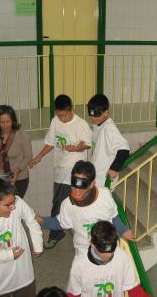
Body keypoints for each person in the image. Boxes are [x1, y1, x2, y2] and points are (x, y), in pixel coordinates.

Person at [29, 94, 92, 249]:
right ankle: (66, 228)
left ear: (72, 110)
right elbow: (51, 143)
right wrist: (38, 157)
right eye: (59, 115)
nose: (62, 119)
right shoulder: (55, 121)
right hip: (59, 169)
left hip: (74, 171)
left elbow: (88, 144)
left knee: (59, 203)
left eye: (65, 115)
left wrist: (76, 147)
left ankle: (55, 234)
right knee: (64, 202)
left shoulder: (81, 124)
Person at [36, 160, 135, 255]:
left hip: (108, 249)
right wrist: (42, 221)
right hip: (84, 252)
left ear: (92, 184)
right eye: (74, 185)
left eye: (82, 186)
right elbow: (60, 222)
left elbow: (114, 216)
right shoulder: (67, 204)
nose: (77, 190)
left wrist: (123, 230)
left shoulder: (104, 195)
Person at [67, 221, 150, 297]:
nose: (108, 255)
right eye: (102, 251)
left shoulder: (122, 256)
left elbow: (133, 289)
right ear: (92, 244)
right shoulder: (79, 264)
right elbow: (74, 294)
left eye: (111, 251)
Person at [0, 105, 32, 198]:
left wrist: (18, 170)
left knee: (14, 206)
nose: (5, 125)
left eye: (8, 121)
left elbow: (28, 156)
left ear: (13, 120)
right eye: (2, 122)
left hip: (19, 177)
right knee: (1, 207)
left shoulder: (21, 134)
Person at [87, 93, 130, 187]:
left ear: (106, 112)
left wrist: (114, 169)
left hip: (103, 181)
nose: (94, 118)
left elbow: (124, 149)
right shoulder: (97, 124)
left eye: (97, 115)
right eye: (91, 115)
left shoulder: (109, 129)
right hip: (95, 178)